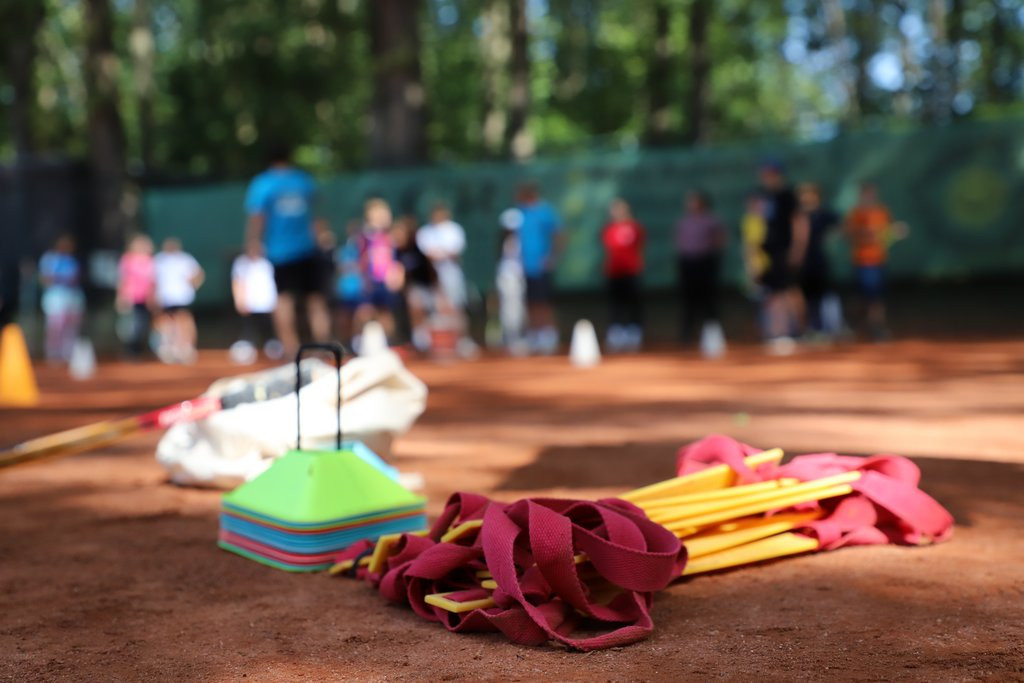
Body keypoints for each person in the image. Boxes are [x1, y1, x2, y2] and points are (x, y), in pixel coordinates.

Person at [244, 144, 330, 356]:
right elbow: (316, 214)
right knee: (315, 299)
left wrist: (253, 242)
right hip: (308, 248)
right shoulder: (303, 180)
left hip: (280, 252)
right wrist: (322, 237)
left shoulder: (263, 183)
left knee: (284, 299)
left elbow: (257, 217)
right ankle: (323, 347)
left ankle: (292, 351)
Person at [845, 182, 907, 341]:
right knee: (862, 297)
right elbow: (853, 235)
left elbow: (887, 236)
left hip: (878, 260)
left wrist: (893, 233)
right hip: (862, 261)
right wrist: (878, 234)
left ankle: (876, 327)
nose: (869, 197)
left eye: (872, 194)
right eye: (866, 194)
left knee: (877, 298)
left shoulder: (882, 212)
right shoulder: (856, 214)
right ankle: (854, 324)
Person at [417, 203, 475, 356]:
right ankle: (433, 344)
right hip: (430, 276)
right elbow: (428, 254)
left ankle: (462, 340)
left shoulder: (454, 229)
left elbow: (455, 252)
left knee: (456, 307)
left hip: (452, 274)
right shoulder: (425, 231)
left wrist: (441, 254)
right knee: (433, 309)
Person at [758, 161, 802, 354]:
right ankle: (779, 332)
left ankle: (794, 332)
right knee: (775, 292)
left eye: (769, 174)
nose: (766, 179)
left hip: (785, 251)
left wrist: (796, 249)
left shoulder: (787, 196)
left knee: (788, 291)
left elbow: (798, 223)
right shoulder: (767, 198)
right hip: (771, 253)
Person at [516, 182, 564, 355]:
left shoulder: (545, 211)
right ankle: (535, 333)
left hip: (541, 266)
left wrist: (552, 256)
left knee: (544, 301)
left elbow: (559, 234)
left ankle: (548, 334)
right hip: (523, 267)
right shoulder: (519, 213)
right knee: (530, 301)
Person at [674, 190, 726, 346]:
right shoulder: (684, 222)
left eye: (695, 202)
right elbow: (680, 243)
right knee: (689, 301)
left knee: (709, 301)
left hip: (706, 263)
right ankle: (687, 336)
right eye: (690, 202)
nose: (692, 205)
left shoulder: (711, 221)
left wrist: (711, 257)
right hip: (688, 264)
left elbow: (720, 241)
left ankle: (712, 337)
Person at [793, 183, 842, 339]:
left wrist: (831, 237)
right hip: (801, 262)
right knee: (804, 296)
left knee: (824, 294)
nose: (806, 198)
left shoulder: (823, 214)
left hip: (818, 260)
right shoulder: (797, 215)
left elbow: (841, 225)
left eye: (810, 194)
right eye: (803, 194)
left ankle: (830, 328)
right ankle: (810, 327)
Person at [601, 198, 646, 352]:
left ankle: (634, 331)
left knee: (633, 302)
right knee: (615, 303)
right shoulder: (609, 229)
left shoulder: (635, 227)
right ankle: (616, 332)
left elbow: (640, 247)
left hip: (631, 271)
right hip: (614, 272)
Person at [354, 198, 400, 346]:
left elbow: (395, 259)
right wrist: (364, 278)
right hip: (370, 280)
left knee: (385, 313)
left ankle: (388, 344)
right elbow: (362, 258)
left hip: (385, 281)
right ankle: (359, 342)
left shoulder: (390, 237)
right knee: (364, 312)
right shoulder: (365, 236)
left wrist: (395, 274)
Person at [153, 238, 204, 363]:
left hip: (182, 297)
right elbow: (153, 279)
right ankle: (169, 347)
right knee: (165, 321)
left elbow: (199, 275)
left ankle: (186, 347)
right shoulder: (159, 260)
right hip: (165, 297)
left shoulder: (185, 259)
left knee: (184, 319)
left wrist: (193, 284)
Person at [230, 241, 280, 364]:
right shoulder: (241, 263)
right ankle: (246, 351)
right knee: (249, 329)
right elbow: (237, 282)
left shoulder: (267, 263)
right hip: (250, 304)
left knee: (268, 328)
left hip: (266, 304)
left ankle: (273, 350)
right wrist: (239, 300)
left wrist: (275, 301)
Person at [392, 216, 437, 352]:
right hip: (411, 289)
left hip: (425, 286)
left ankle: (423, 340)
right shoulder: (397, 251)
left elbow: (430, 269)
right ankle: (417, 340)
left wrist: (435, 286)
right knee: (414, 310)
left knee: (425, 314)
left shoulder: (419, 249)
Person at [38, 235, 85, 363]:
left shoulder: (72, 260)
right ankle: (53, 354)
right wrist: (58, 280)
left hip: (72, 297)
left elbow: (76, 278)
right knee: (55, 326)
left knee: (71, 327)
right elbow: (45, 278)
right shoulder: (49, 258)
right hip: (56, 297)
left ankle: (68, 353)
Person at [116, 234, 155, 358]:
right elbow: (122, 279)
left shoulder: (150, 260)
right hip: (130, 298)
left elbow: (152, 281)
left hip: (145, 298)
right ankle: (130, 350)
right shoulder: (127, 259)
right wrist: (121, 296)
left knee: (143, 324)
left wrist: (152, 297)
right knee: (130, 325)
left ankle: (140, 348)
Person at [494, 208, 527, 354]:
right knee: (510, 308)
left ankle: (515, 336)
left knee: (517, 308)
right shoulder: (507, 241)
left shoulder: (518, 239)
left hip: (517, 278)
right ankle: (511, 337)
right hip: (509, 279)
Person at [332, 220, 367, 345]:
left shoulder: (363, 249)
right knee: (345, 316)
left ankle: (357, 341)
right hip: (346, 289)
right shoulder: (344, 249)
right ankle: (345, 342)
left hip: (359, 289)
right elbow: (340, 267)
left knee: (361, 315)